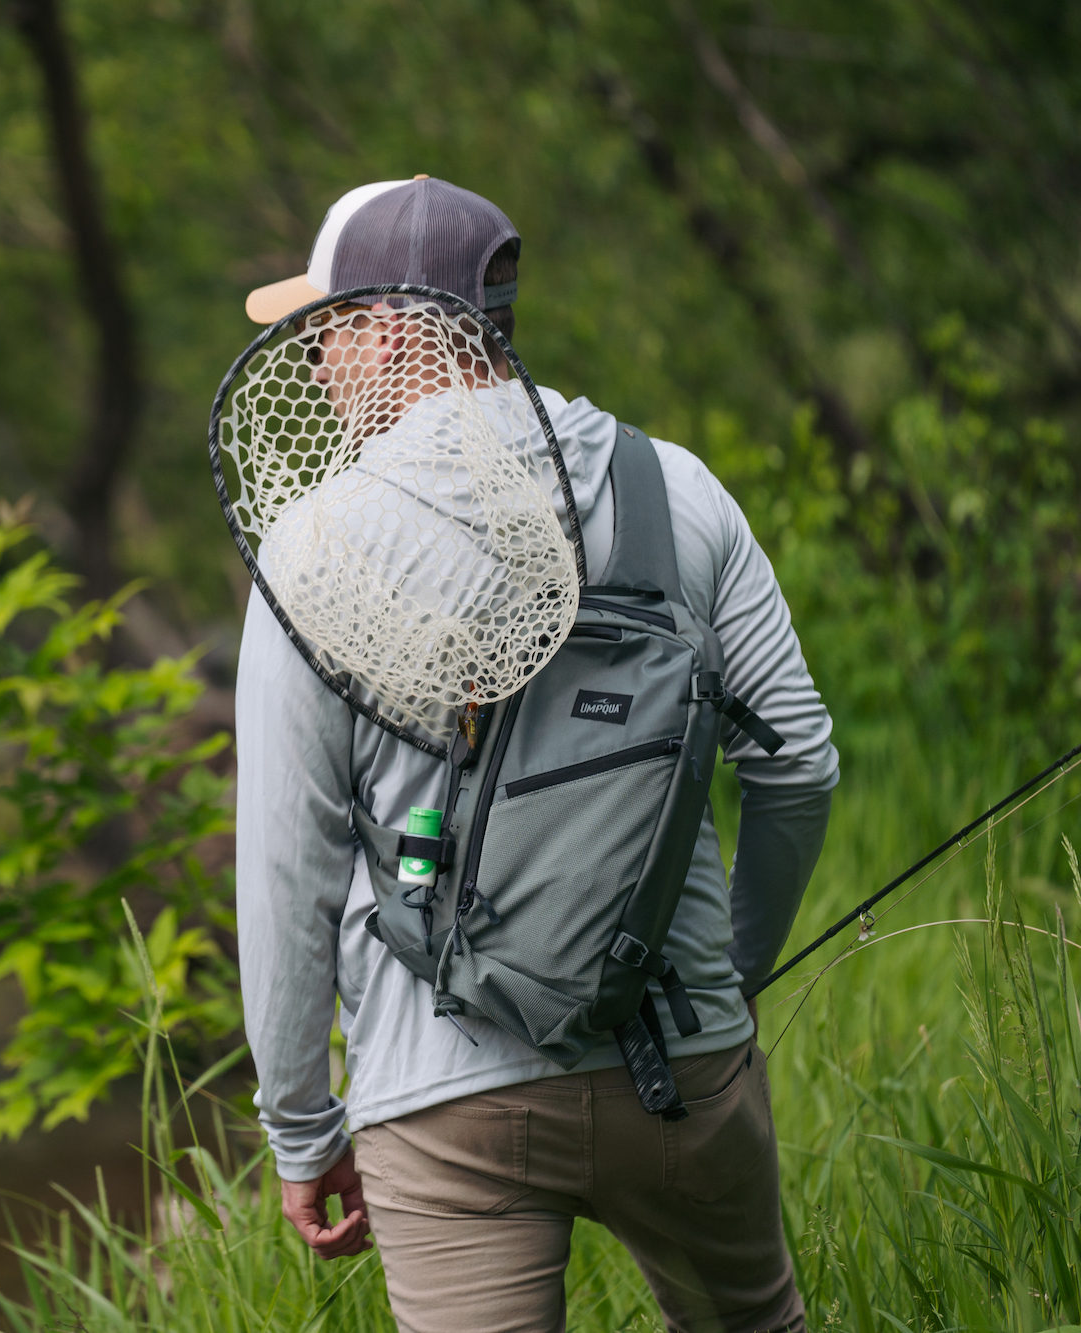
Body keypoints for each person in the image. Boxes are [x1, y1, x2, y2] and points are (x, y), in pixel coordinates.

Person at [234, 175, 838, 1333]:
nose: (314, 362)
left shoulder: (309, 544)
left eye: (330, 328)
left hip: (441, 1104)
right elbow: (796, 762)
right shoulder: (678, 490)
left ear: (392, 327)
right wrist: (729, 989)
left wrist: (302, 1129)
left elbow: (285, 867)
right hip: (682, 1062)